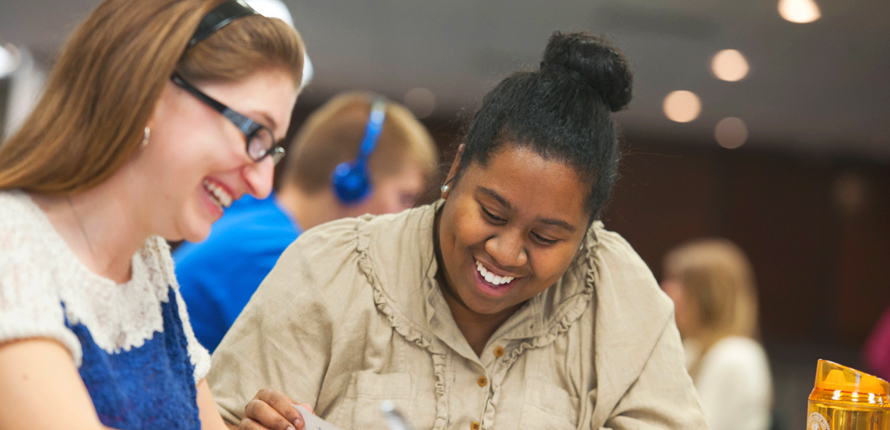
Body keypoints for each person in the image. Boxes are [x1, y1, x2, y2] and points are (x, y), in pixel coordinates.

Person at [207, 31, 707, 430]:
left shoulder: (617, 293)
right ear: (457, 170)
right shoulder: (330, 269)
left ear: (586, 233)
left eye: (546, 238)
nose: (507, 252)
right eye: (492, 213)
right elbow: (219, 418)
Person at [0, 0, 304, 429]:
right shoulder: (10, 246)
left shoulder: (148, 261)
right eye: (254, 133)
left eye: (271, 148)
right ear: (148, 94)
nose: (262, 183)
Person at [173, 92, 438, 352]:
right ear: (352, 184)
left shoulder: (254, 222)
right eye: (405, 198)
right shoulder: (275, 255)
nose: (409, 216)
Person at [661, 239, 773, 430]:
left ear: (711, 297)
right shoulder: (692, 351)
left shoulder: (735, 356)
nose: (667, 292)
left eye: (683, 284)